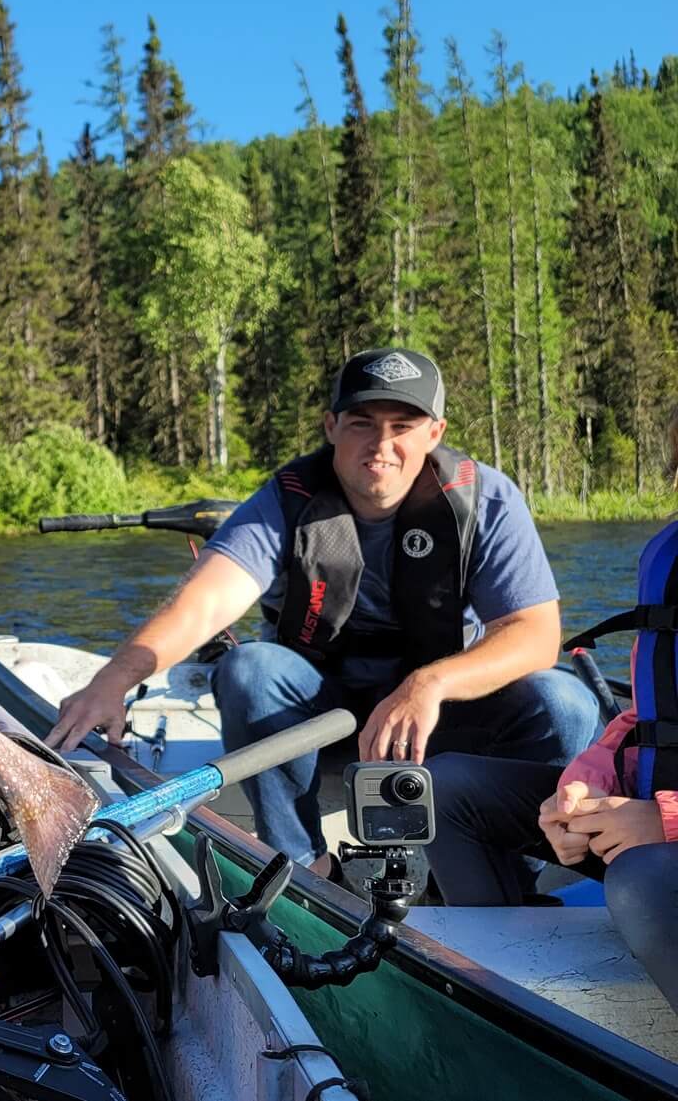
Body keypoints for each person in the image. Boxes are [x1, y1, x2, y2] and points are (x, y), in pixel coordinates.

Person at [49, 347, 599, 876]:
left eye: (402, 425)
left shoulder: (484, 500)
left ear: (435, 434)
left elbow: (535, 634)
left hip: (437, 716)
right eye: (362, 422)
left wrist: (428, 685)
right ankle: (305, 871)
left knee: (565, 702)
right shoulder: (290, 497)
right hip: (321, 714)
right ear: (331, 426)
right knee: (250, 669)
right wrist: (113, 680)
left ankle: (512, 870)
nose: (381, 444)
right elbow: (206, 602)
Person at [424, 407, 678, 1008]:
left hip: (657, 841)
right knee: (446, 790)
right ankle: (506, 1004)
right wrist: (591, 776)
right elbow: (648, 713)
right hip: (646, 820)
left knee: (641, 880)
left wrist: (662, 821)